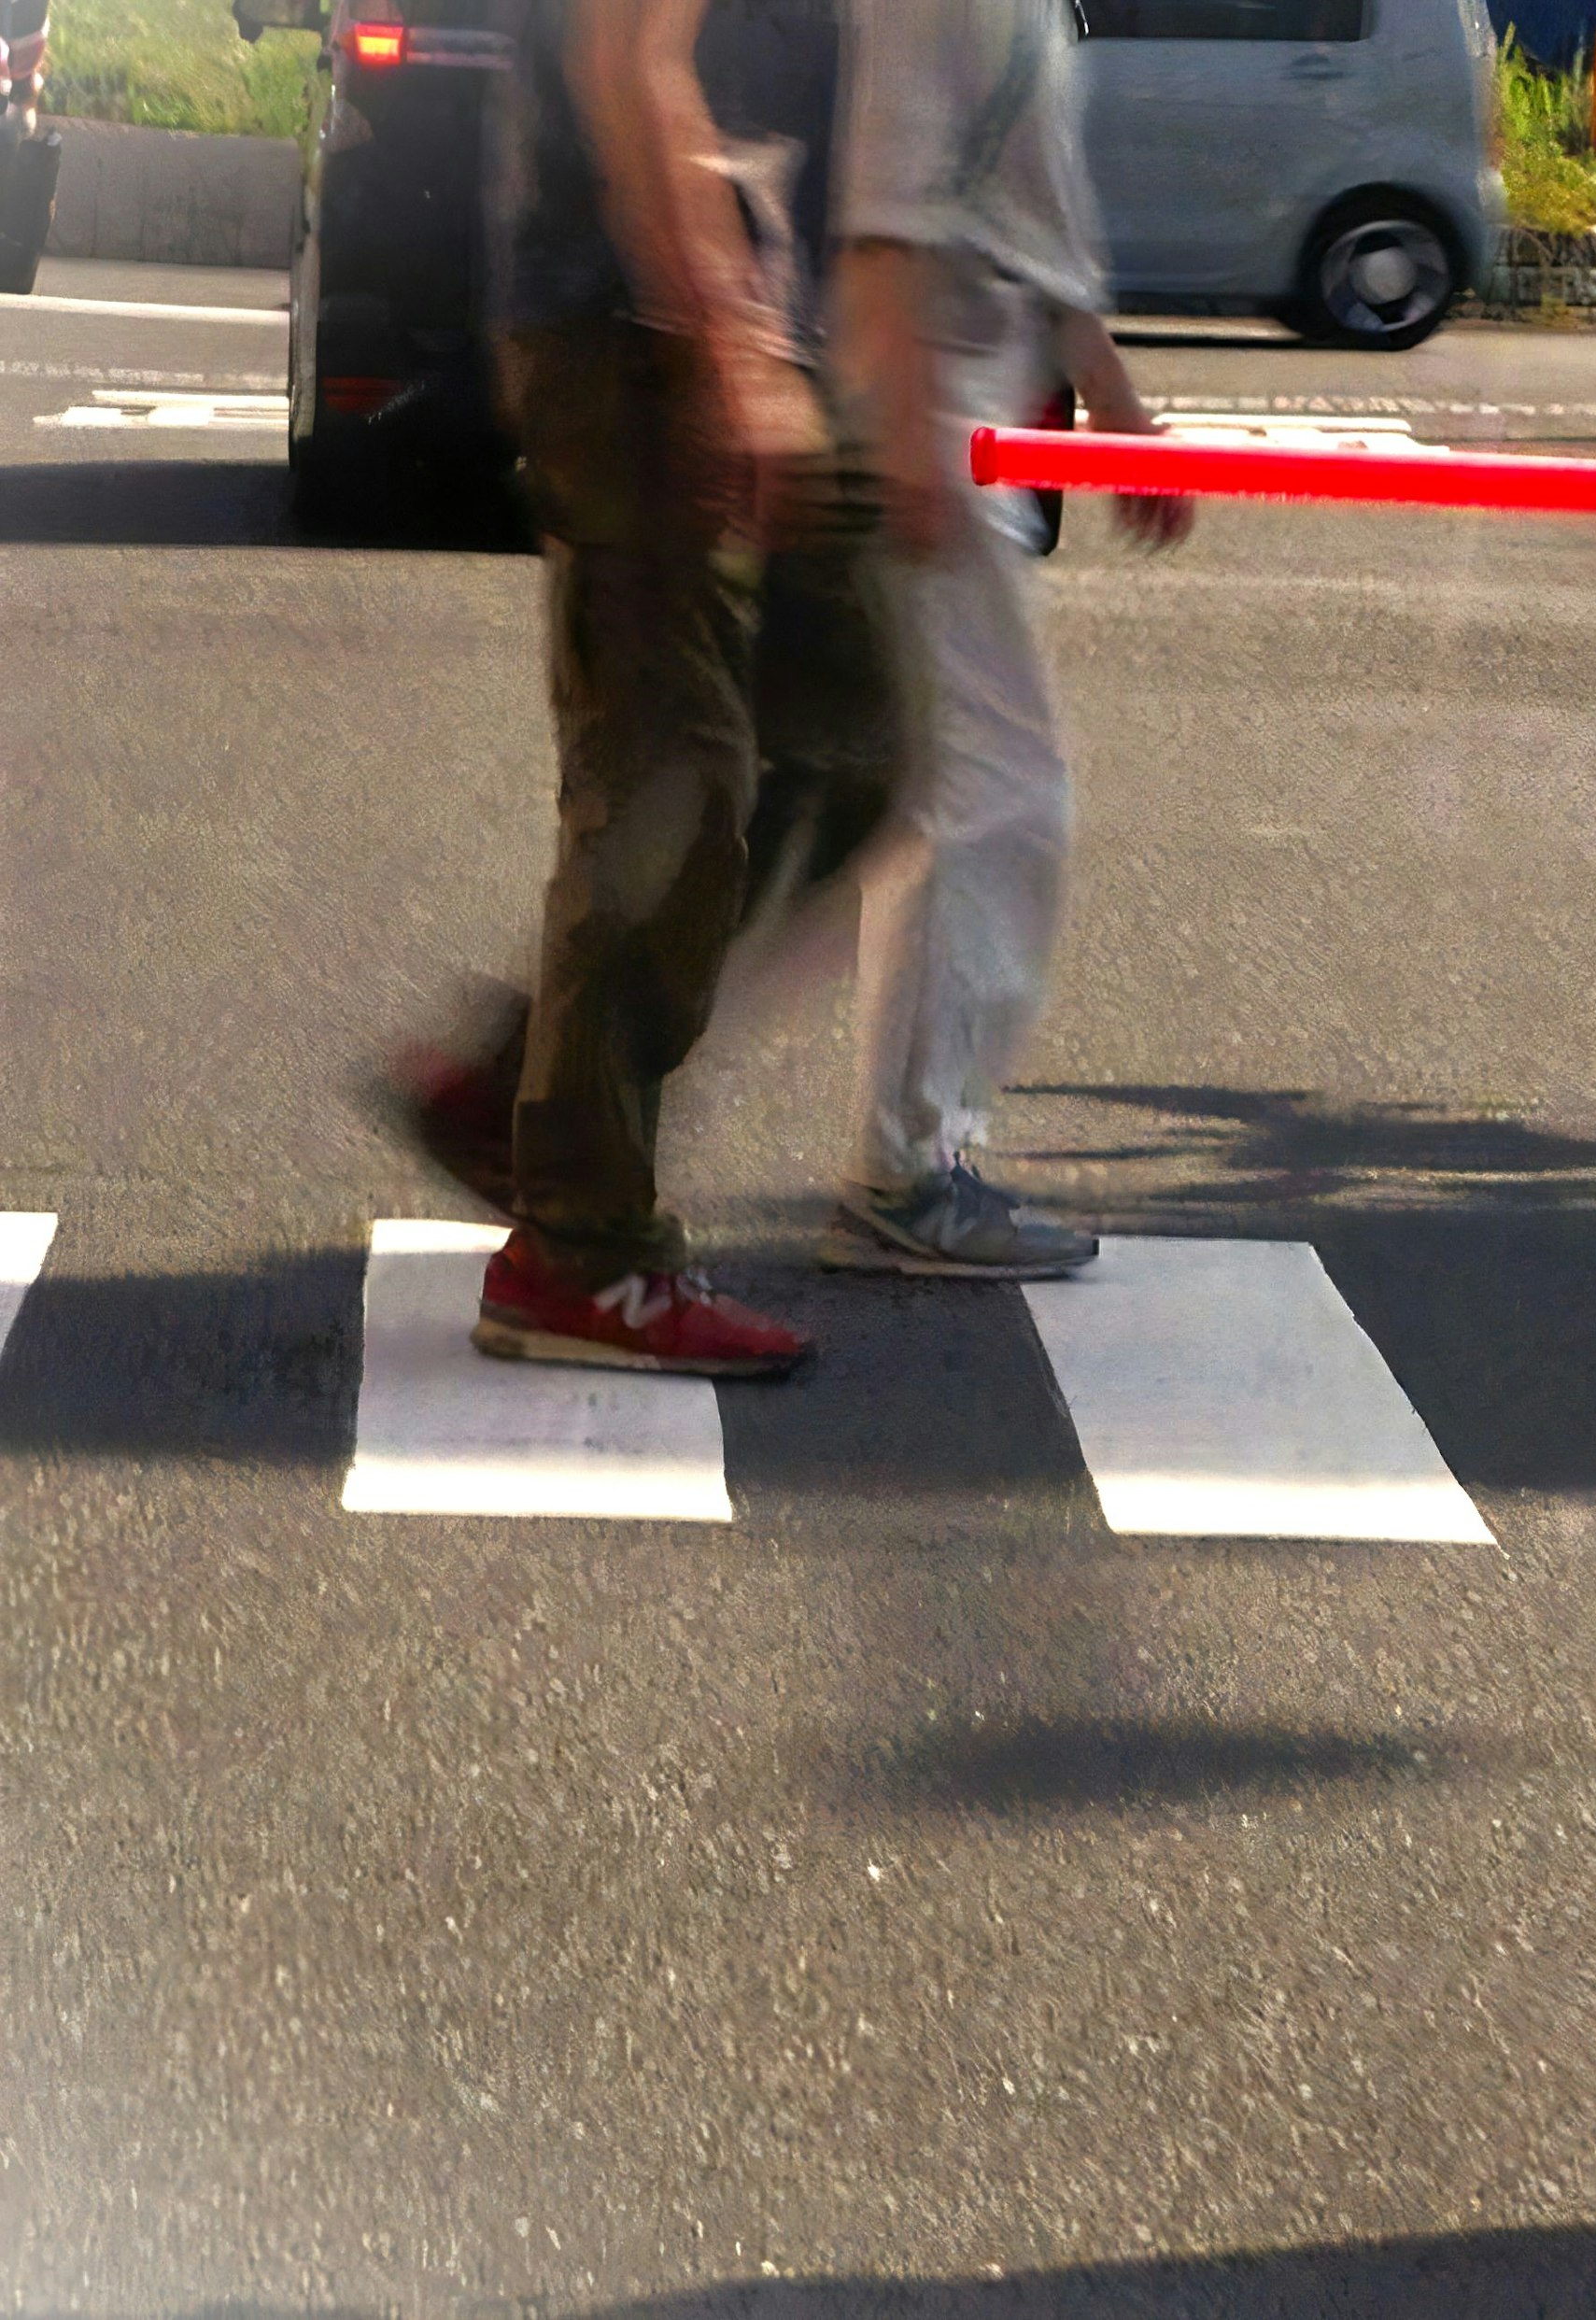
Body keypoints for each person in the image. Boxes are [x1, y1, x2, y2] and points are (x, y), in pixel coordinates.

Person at [405, 0, 897, 1376]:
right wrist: (730, 353)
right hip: (633, 331)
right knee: (674, 781)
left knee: (858, 746)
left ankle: (527, 1099)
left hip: (740, 311)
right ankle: (582, 1246)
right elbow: (629, 51)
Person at [819, 0, 1186, 1280]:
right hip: (925, 420)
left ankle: (903, 1157)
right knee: (995, 800)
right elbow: (888, 200)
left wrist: (1114, 399)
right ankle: (905, 1171)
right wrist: (914, 434)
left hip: (958, 419)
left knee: (892, 807)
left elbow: (1030, 212)